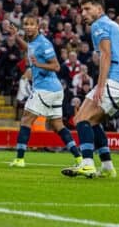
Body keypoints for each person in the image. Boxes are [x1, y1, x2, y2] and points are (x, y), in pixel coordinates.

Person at [62, 0, 119, 178]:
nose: (83, 13)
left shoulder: (99, 25)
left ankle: (87, 164)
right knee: (93, 121)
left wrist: (101, 86)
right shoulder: (115, 26)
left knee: (81, 119)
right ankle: (107, 166)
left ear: (99, 9)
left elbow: (106, 55)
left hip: (116, 79)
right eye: (81, 10)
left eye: (87, 9)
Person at [6, 16, 81, 167]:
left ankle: (20, 159)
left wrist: (38, 64)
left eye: (31, 24)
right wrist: (16, 36)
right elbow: (27, 48)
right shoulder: (33, 43)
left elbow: (56, 66)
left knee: (26, 120)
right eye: (26, 24)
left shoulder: (44, 43)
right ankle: (79, 158)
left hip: (45, 89)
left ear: (38, 26)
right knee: (57, 125)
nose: (28, 27)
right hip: (54, 90)